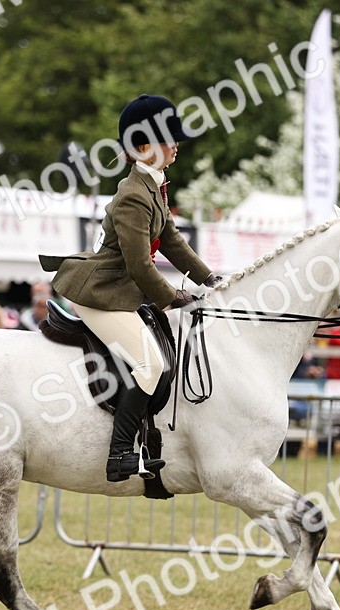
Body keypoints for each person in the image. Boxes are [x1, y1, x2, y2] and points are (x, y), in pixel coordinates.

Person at [42, 94, 221, 482]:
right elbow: (140, 265)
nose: (176, 146)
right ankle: (120, 453)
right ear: (144, 147)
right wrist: (171, 296)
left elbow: (172, 241)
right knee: (151, 364)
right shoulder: (132, 196)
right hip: (101, 294)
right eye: (168, 139)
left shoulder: (153, 187)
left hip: (120, 291)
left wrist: (212, 279)